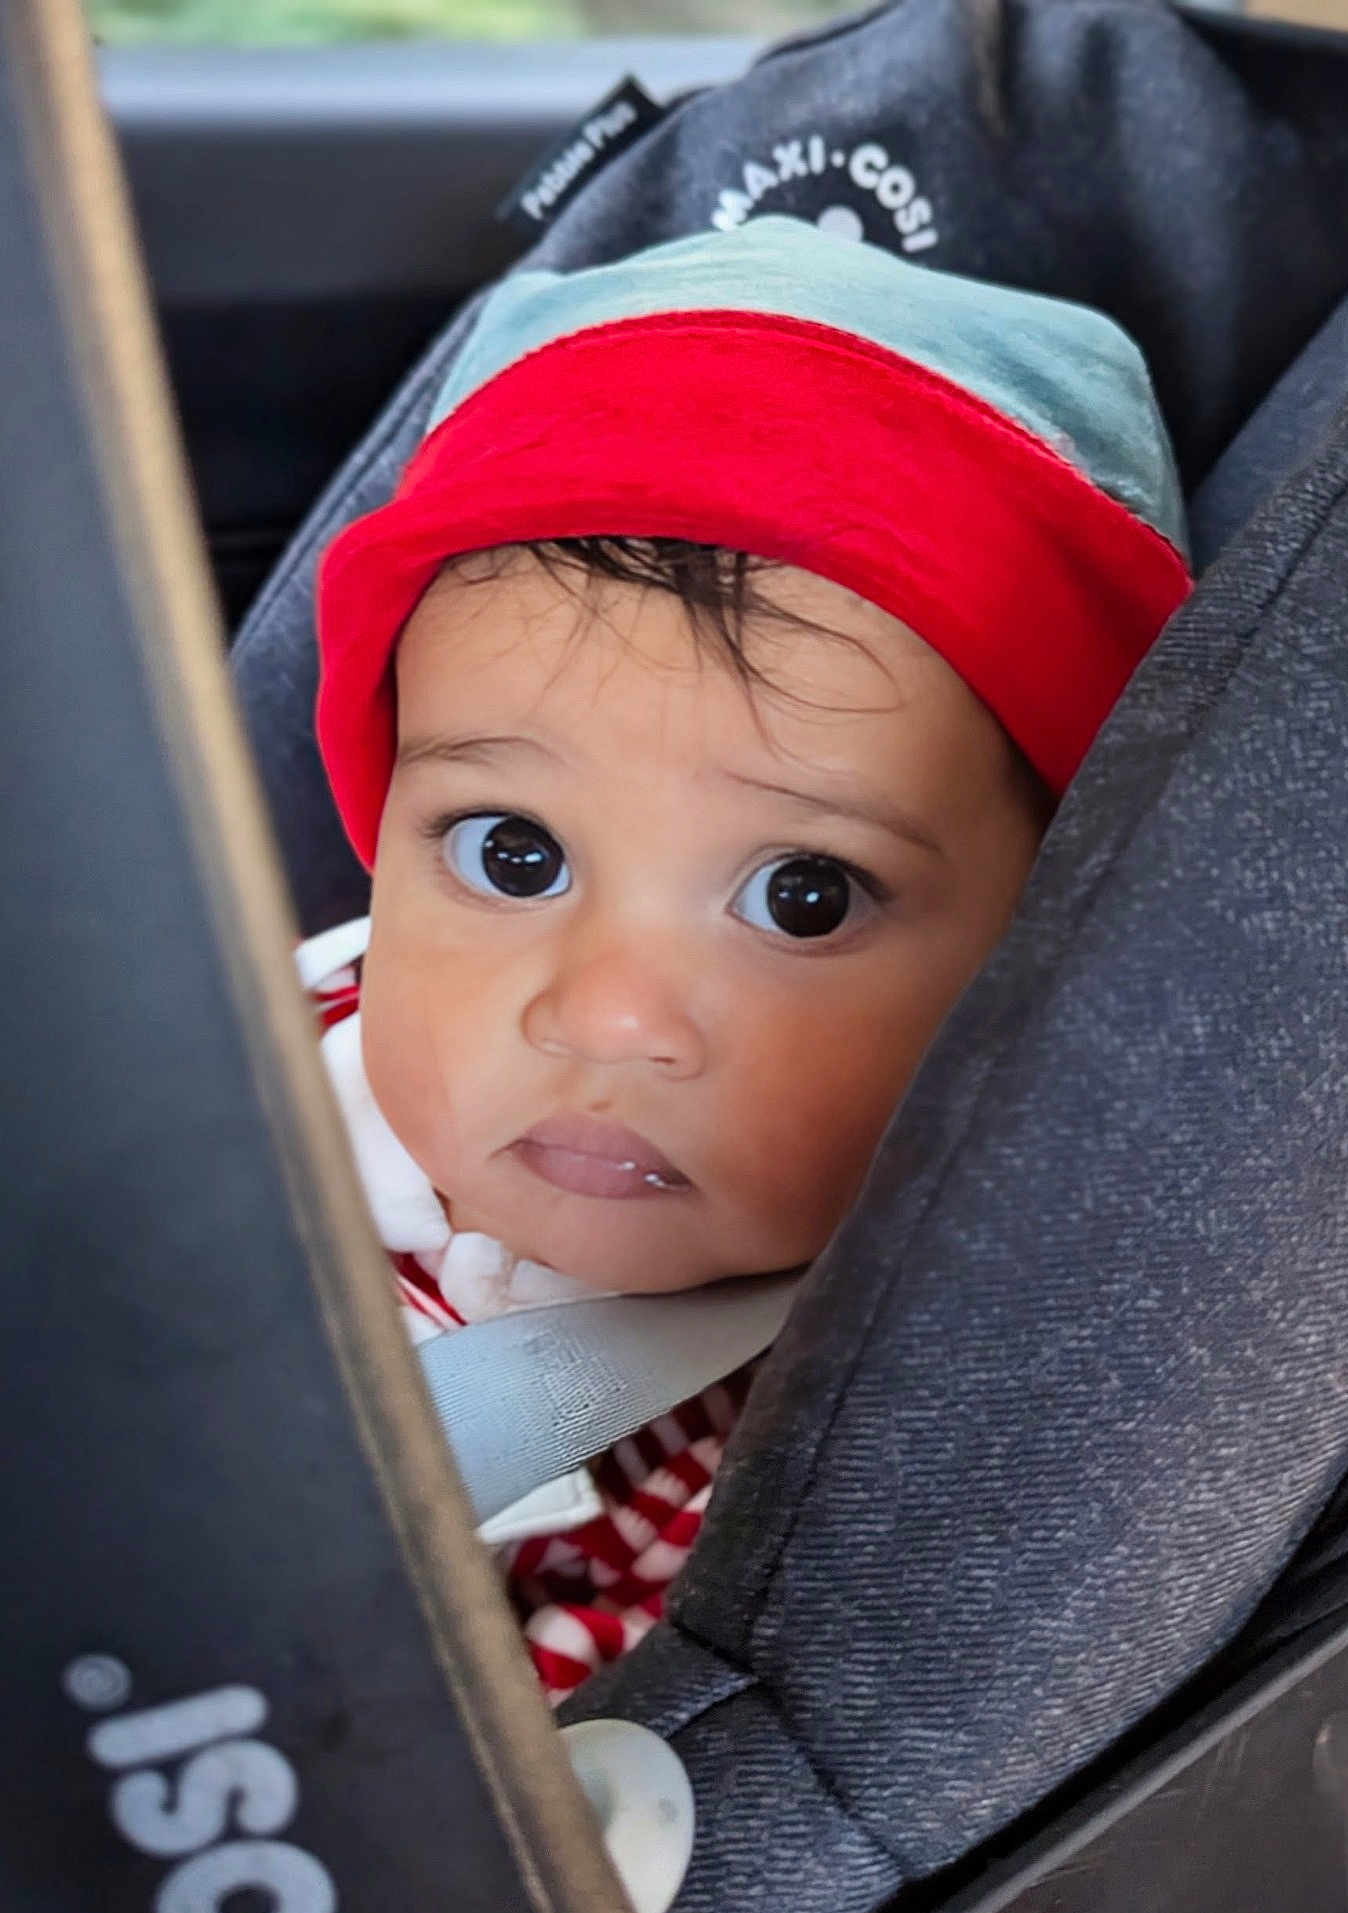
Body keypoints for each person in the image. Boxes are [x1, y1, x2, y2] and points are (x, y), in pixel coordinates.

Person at [296, 215, 1192, 1697]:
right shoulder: (222, 1086)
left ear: (1036, 950)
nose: (611, 1013)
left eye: (805, 897)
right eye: (511, 855)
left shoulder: (797, 1472)